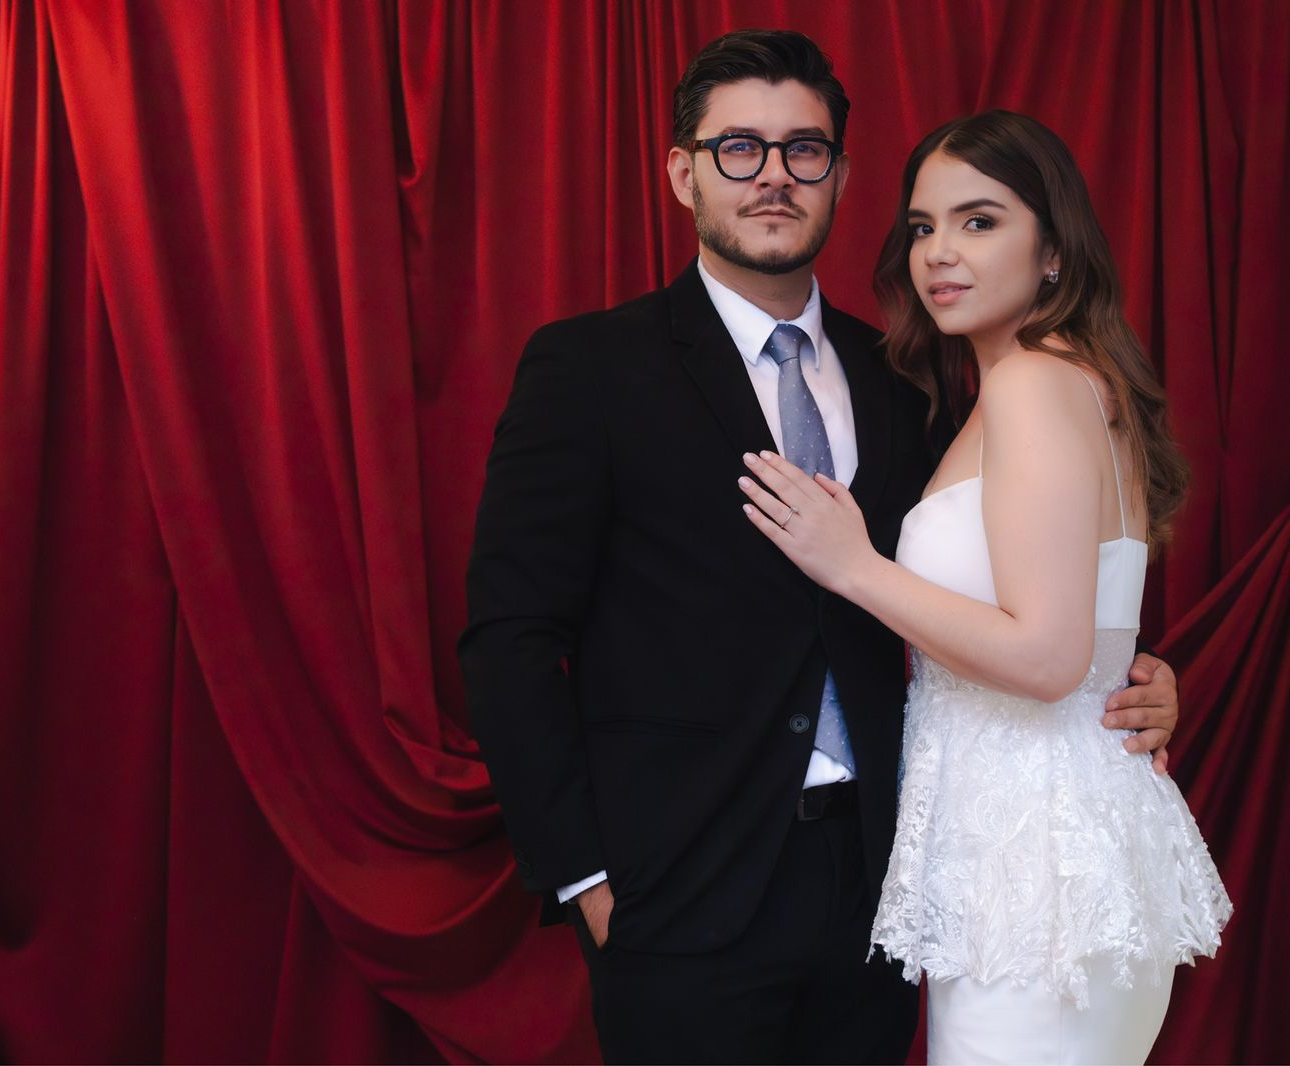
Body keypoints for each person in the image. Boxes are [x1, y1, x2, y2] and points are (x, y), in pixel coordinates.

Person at [460, 32, 1184, 1064]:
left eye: (803, 150)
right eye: (738, 148)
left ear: (839, 176)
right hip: (680, 898)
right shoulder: (589, 369)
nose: (773, 176)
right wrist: (587, 881)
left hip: (880, 892)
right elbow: (511, 640)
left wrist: (1129, 673)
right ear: (683, 173)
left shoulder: (906, 381)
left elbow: (1013, 568)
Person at [736, 110, 1232, 1064]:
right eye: (923, 226)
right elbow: (1084, 623)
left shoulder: (1032, 383)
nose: (939, 253)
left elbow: (1047, 657)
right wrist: (1136, 672)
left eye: (980, 221)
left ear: (1055, 251)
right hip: (1043, 850)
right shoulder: (1050, 382)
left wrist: (856, 568)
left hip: (1037, 871)